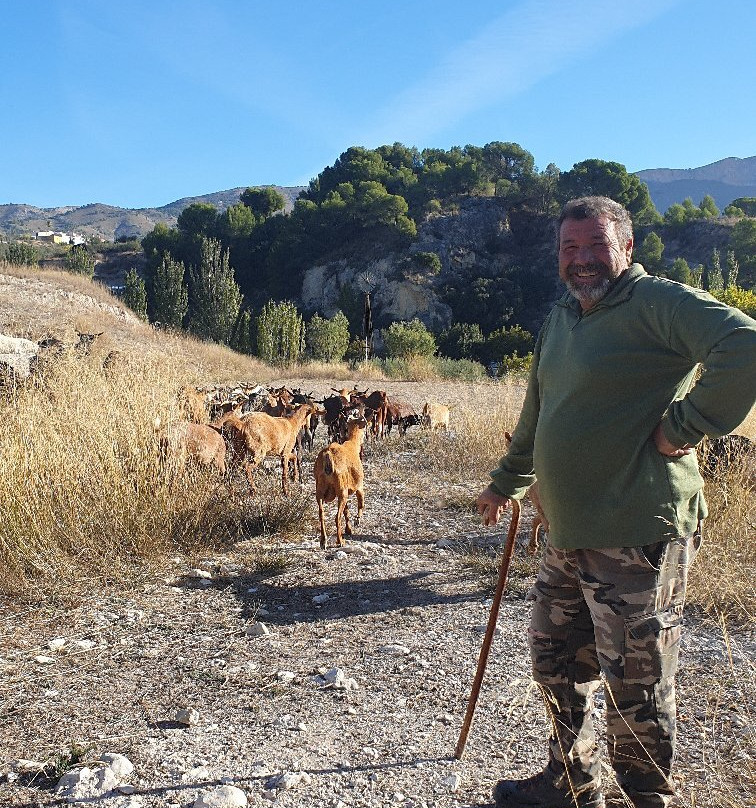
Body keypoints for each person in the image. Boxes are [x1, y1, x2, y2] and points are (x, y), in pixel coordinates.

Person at [476, 196, 756, 808]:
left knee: (635, 682)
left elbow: (746, 347)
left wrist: (682, 427)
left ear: (627, 248)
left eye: (594, 246)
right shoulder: (561, 317)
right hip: (568, 531)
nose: (580, 260)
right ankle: (570, 784)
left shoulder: (657, 303)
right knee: (555, 661)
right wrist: (507, 481)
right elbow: (538, 411)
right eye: (568, 249)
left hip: (638, 533)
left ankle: (647, 799)